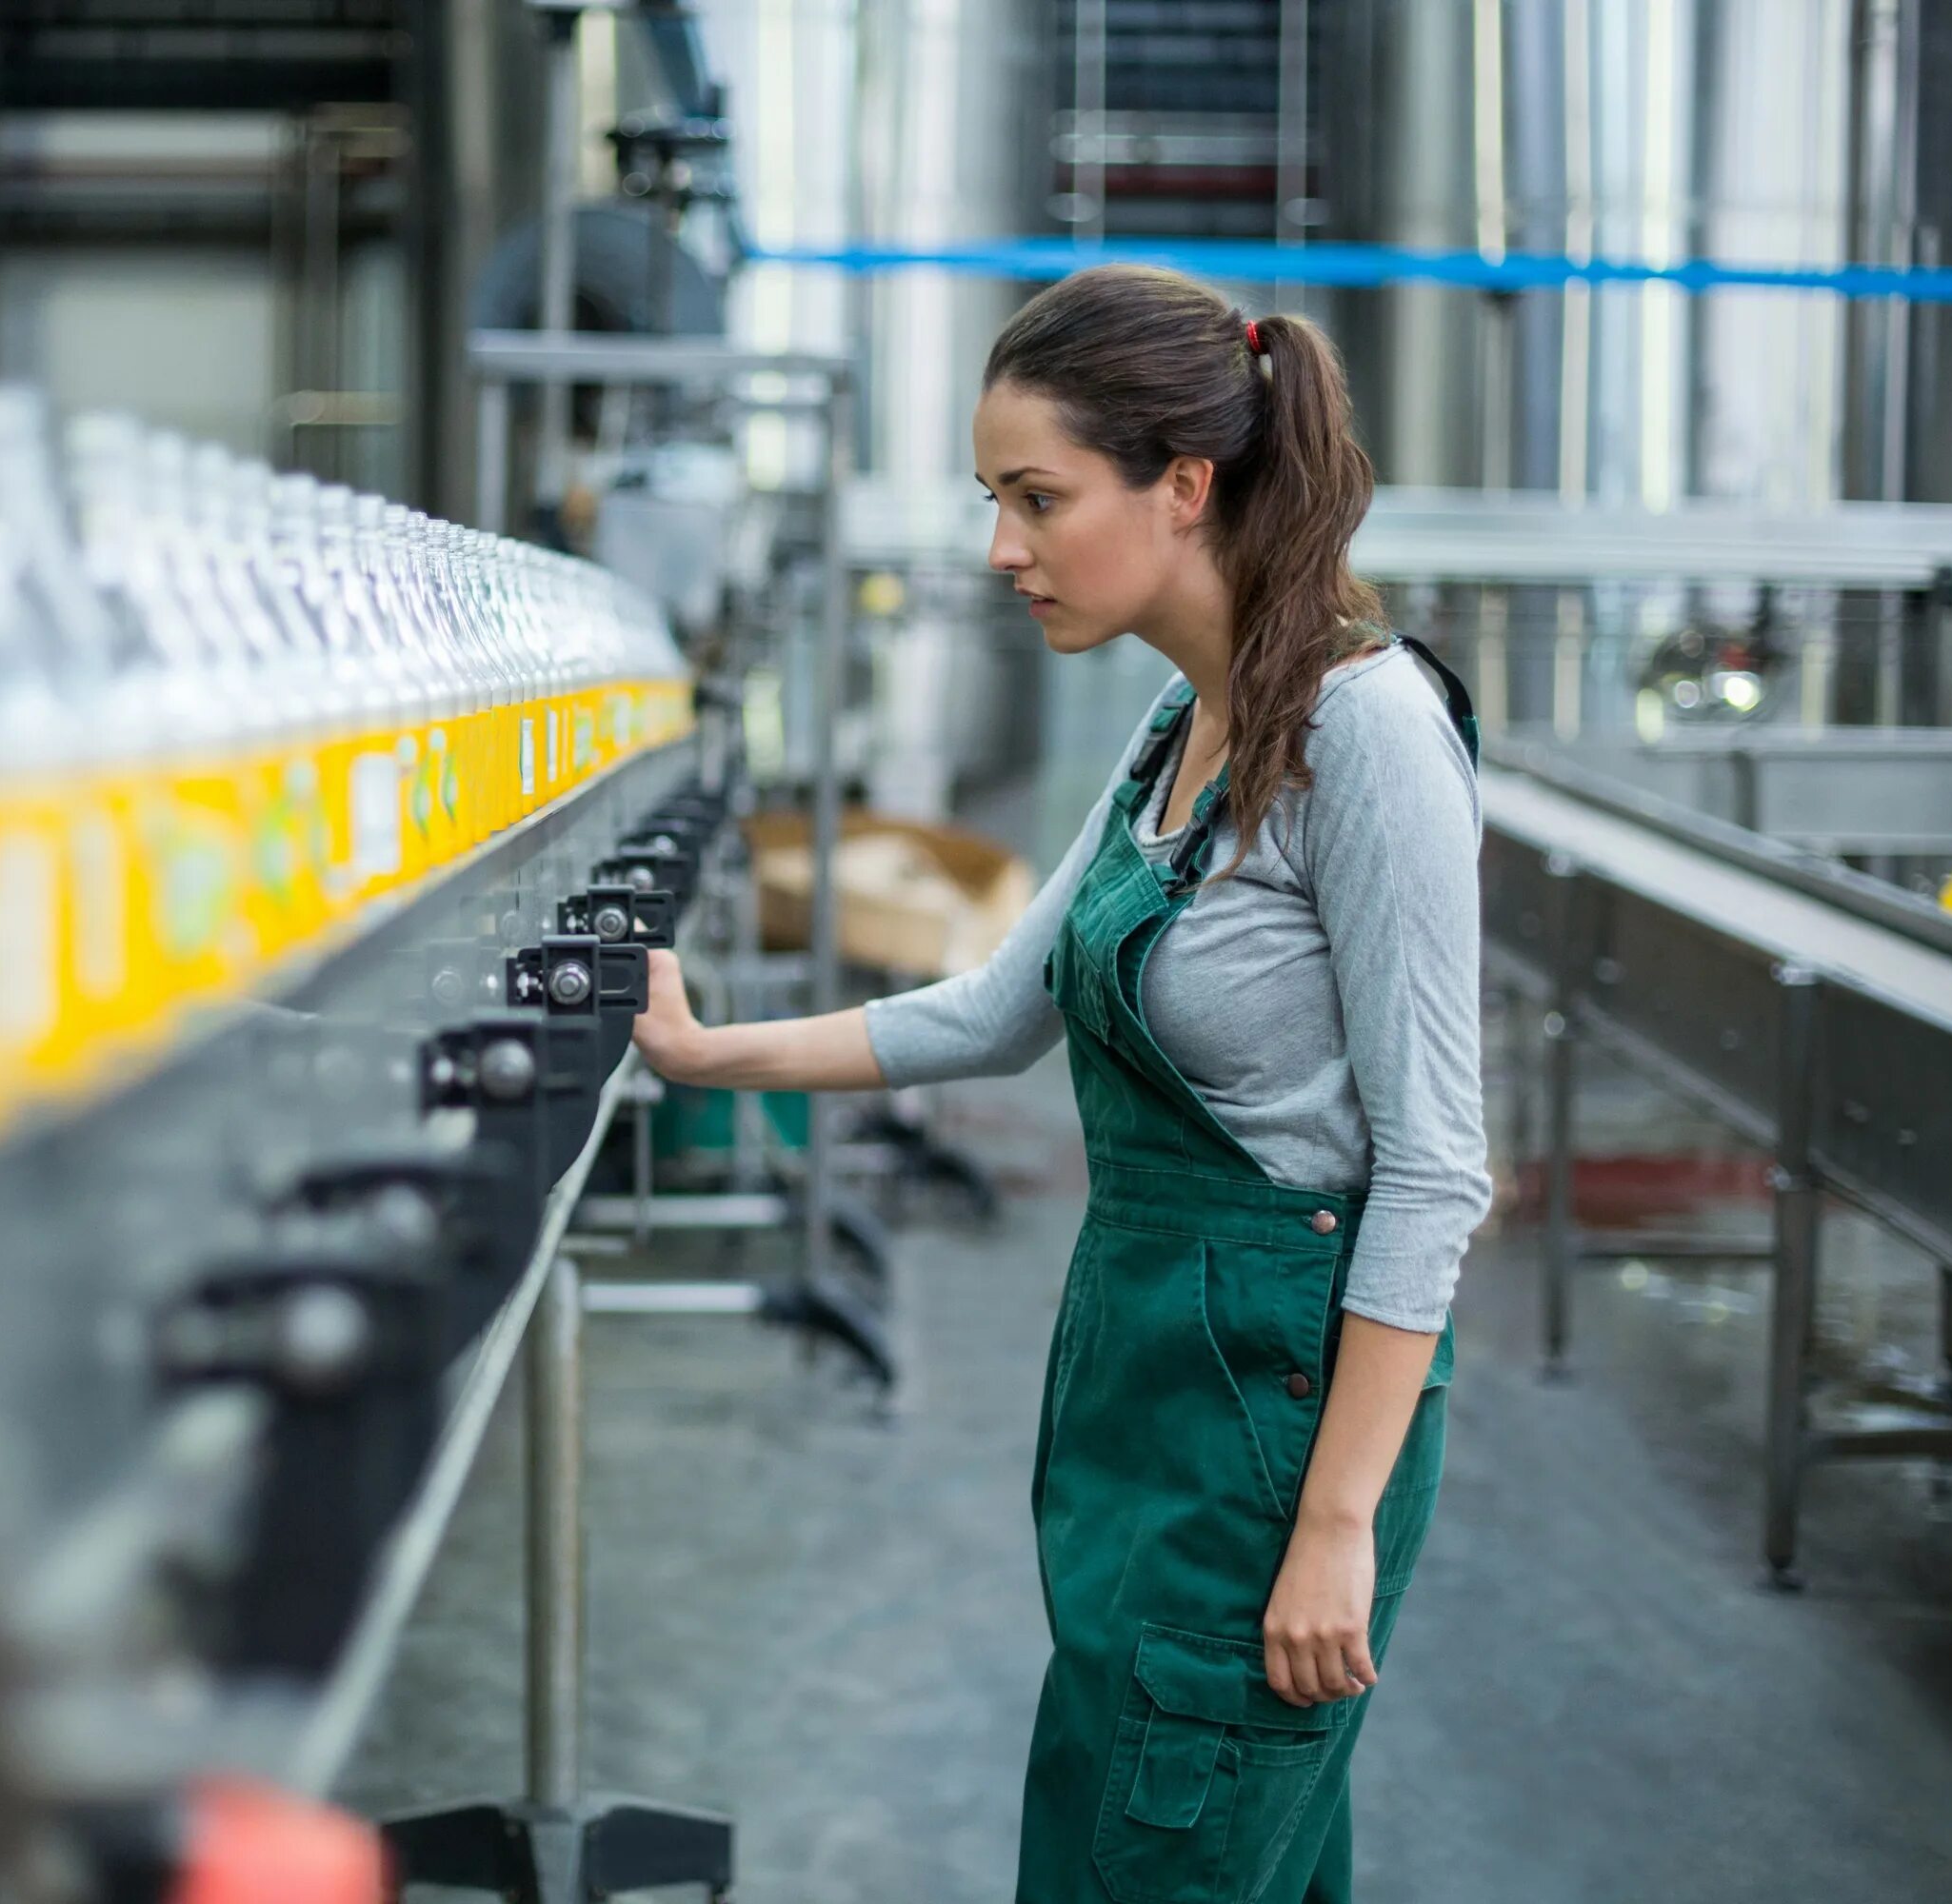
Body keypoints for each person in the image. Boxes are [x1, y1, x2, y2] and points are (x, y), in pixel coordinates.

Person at [630, 265, 1489, 1904]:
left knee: (1158, 1853)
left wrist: (1333, 1529)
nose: (1001, 548)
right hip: (1149, 1391)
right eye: (992, 500)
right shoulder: (1178, 724)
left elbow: (1438, 1168)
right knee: (1179, 1838)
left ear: (1185, 484)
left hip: (1276, 1426)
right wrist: (698, 1048)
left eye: (1037, 498)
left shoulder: (1366, 736)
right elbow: (993, 1010)